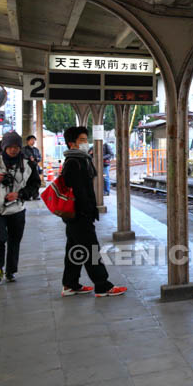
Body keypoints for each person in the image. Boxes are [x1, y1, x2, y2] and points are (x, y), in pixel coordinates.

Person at [62, 126, 126, 297]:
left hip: (77, 215)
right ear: (72, 144)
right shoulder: (73, 162)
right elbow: (76, 190)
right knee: (91, 250)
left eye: (86, 139)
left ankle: (70, 284)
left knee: (74, 249)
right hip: (79, 214)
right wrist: (86, 210)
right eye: (82, 140)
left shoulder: (81, 159)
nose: (86, 143)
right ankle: (102, 285)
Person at [0, 132, 40, 284]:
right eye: (10, 147)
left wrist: (20, 194)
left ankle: (11, 271)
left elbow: (35, 185)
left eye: (16, 147)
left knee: (15, 240)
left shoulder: (27, 163)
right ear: (4, 147)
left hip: (17, 208)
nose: (13, 150)